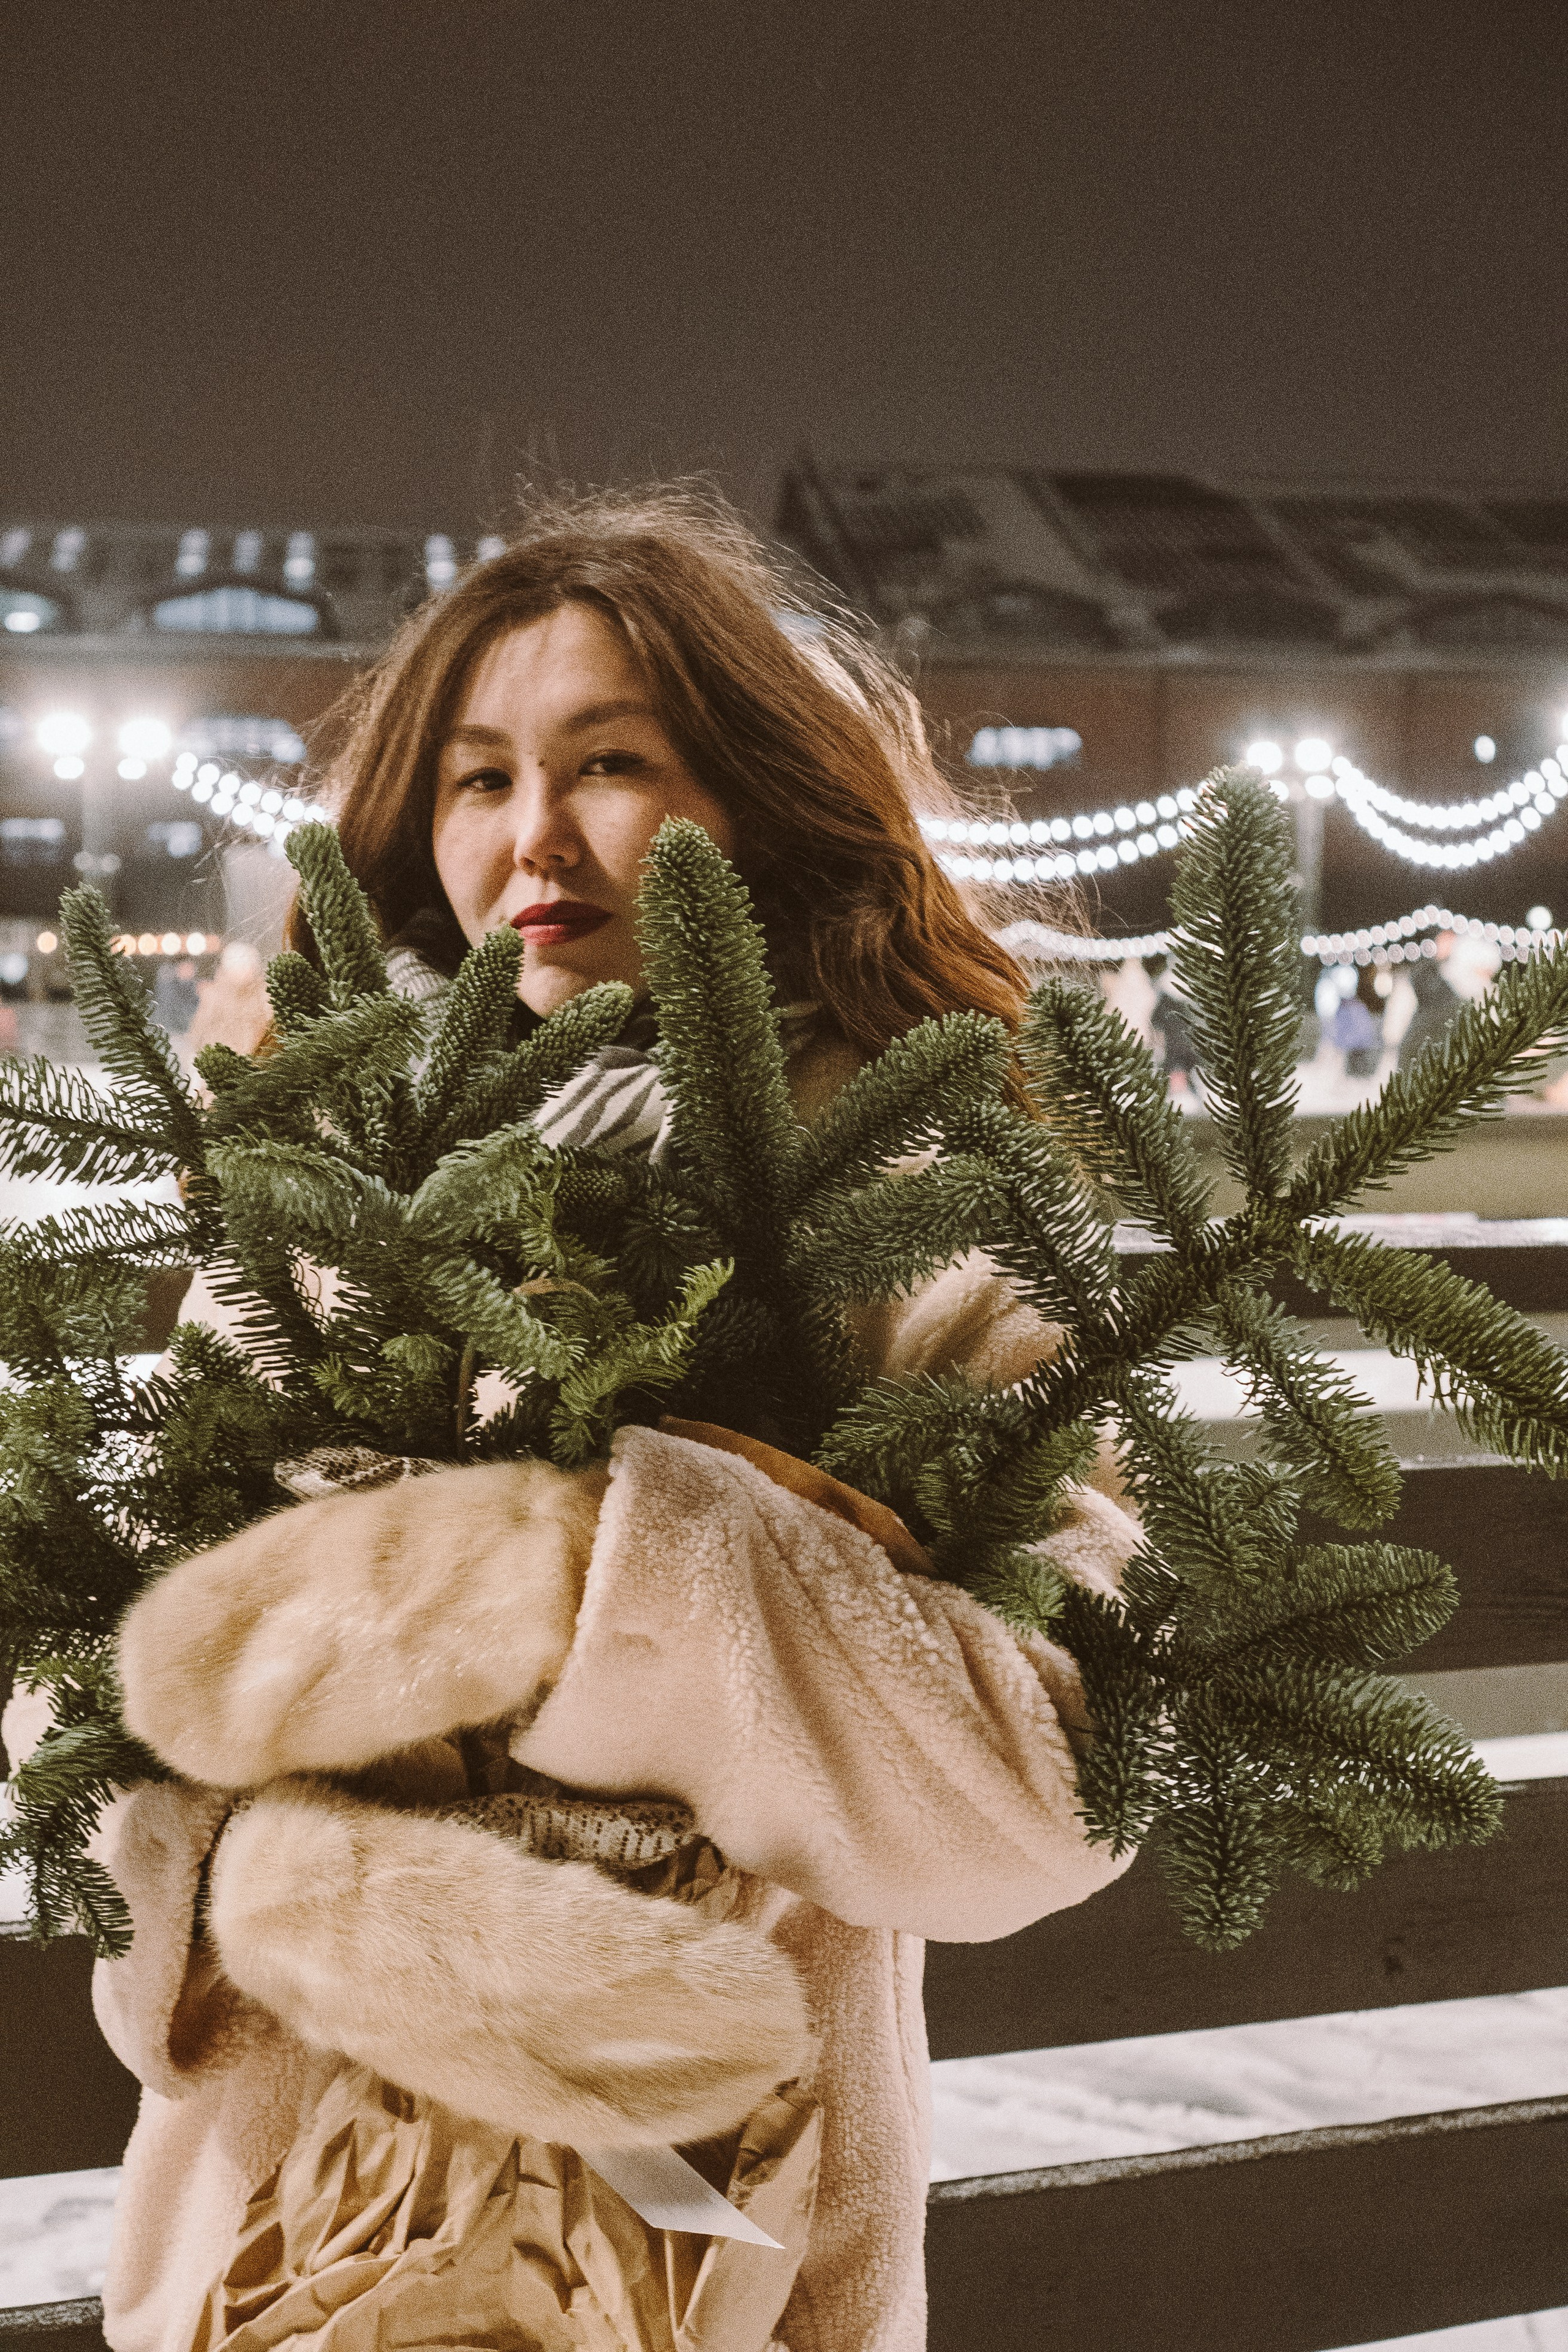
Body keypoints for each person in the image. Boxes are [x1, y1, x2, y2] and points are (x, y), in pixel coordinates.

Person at [93, 488, 1140, 2352]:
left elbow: (1064, 1779)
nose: (535, 838)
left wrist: (590, 1573)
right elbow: (91, 1669)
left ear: (750, 798)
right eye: (480, 779)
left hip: (721, 2266)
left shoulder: (902, 1198)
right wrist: (330, 1896)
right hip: (285, 2256)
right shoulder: (323, 1179)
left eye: (612, 763)